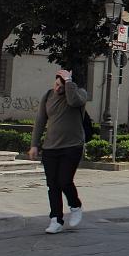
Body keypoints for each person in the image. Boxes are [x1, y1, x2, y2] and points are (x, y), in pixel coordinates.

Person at [29, 69, 88, 234]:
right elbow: (40, 120)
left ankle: (75, 206)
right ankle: (56, 219)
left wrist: (68, 82)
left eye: (61, 87)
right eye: (56, 84)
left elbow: (73, 101)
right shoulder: (48, 96)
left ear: (69, 84)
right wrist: (34, 145)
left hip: (72, 146)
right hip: (50, 147)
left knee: (64, 181)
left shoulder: (80, 94)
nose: (57, 89)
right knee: (52, 184)